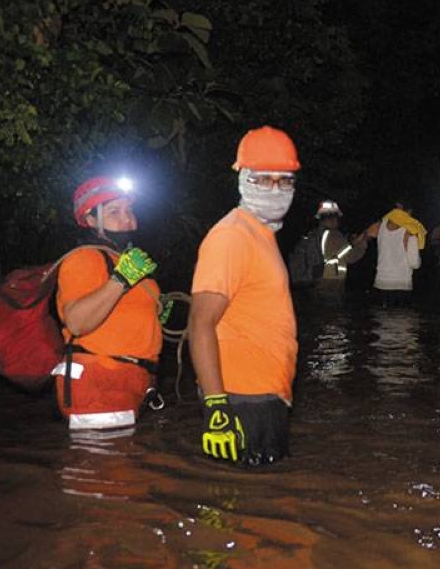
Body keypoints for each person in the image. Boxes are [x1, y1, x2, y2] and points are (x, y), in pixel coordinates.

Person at [188, 126, 300, 466]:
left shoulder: (262, 235)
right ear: (243, 180)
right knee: (240, 507)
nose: (276, 189)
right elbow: (199, 324)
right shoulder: (232, 236)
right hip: (240, 399)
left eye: (285, 180)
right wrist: (217, 407)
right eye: (264, 180)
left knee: (258, 508)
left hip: (264, 396)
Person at [55, 175, 163, 431]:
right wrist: (121, 280)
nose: (127, 218)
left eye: (129, 210)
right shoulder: (84, 259)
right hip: (98, 381)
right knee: (107, 469)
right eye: (114, 211)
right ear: (91, 220)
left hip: (134, 380)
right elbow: (77, 322)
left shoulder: (126, 262)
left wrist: (159, 318)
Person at [289, 200, 367, 303]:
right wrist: (362, 243)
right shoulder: (334, 235)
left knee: (320, 315)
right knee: (334, 316)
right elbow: (350, 257)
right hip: (331, 283)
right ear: (333, 218)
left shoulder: (313, 235)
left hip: (315, 282)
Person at [366, 200, 426, 307]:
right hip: (402, 284)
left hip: (381, 283)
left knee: (382, 320)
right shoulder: (412, 229)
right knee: (402, 321)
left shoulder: (379, 225)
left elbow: (368, 234)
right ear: (409, 211)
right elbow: (414, 264)